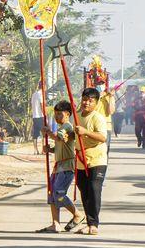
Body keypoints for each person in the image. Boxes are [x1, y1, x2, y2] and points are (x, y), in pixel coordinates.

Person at [35, 100, 85, 234]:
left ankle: (77, 214)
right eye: (55, 114)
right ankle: (55, 223)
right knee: (52, 194)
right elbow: (60, 146)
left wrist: (48, 132)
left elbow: (59, 138)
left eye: (60, 114)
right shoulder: (60, 128)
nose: (57, 117)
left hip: (67, 166)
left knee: (59, 193)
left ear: (68, 114)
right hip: (58, 166)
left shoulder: (67, 127)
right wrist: (49, 149)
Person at [73, 88, 108, 236]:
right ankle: (88, 222)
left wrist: (85, 132)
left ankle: (94, 224)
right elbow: (71, 135)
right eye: (85, 99)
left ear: (96, 102)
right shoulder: (76, 117)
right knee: (84, 190)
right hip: (81, 160)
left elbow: (102, 137)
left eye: (90, 100)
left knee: (94, 190)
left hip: (96, 159)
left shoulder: (97, 117)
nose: (86, 102)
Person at [97, 85, 116, 154]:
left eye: (101, 83)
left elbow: (111, 111)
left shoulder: (109, 97)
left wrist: (110, 97)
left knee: (105, 148)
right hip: (94, 125)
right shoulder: (92, 97)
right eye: (98, 83)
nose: (99, 85)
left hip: (106, 126)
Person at [31, 86, 45, 154]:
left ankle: (35, 150)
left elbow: (32, 105)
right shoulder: (40, 94)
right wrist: (45, 115)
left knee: (35, 134)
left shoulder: (34, 94)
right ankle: (43, 150)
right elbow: (42, 105)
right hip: (40, 116)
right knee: (44, 133)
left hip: (34, 116)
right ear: (44, 86)